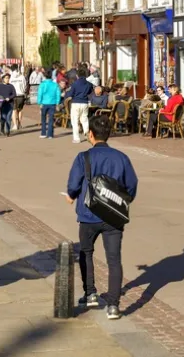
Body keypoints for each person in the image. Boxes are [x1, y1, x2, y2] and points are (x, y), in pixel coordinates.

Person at [65, 115, 138, 320]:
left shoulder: (83, 157)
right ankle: (114, 305)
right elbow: (131, 185)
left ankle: (90, 293)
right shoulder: (121, 157)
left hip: (88, 214)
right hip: (113, 215)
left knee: (86, 252)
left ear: (90, 134)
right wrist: (122, 201)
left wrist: (71, 196)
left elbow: (73, 184)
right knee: (114, 259)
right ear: (109, 134)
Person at [67, 67, 93, 144]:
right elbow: (90, 91)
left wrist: (68, 93)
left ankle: (77, 138)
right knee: (84, 119)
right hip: (85, 102)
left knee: (75, 121)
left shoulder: (75, 84)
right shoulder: (89, 84)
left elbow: (71, 94)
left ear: (77, 76)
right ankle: (87, 135)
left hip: (76, 103)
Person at [37, 70, 60, 139]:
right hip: (52, 103)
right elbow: (58, 94)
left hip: (44, 103)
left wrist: (39, 103)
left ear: (44, 76)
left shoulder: (42, 84)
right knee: (51, 119)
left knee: (43, 119)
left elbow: (40, 94)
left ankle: (43, 133)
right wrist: (57, 103)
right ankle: (50, 134)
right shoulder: (55, 84)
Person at [10, 65, 28, 131]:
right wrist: (23, 91)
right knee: (20, 110)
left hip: (13, 95)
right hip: (21, 95)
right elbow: (25, 85)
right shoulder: (22, 76)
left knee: (13, 110)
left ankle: (15, 125)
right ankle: (19, 124)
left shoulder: (11, 77)